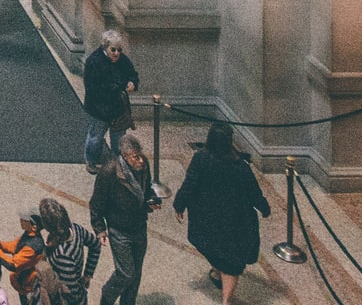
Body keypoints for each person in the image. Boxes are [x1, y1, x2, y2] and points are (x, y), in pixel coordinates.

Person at [172, 122, 271, 305]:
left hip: (206, 217)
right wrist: (264, 208)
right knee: (231, 263)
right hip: (234, 221)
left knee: (215, 249)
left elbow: (189, 184)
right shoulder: (240, 166)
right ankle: (226, 300)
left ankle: (218, 273)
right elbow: (253, 192)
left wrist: (180, 204)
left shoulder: (201, 159)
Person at [90, 132, 160, 305]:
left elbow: (146, 189)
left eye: (141, 155)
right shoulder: (109, 172)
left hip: (139, 226)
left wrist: (151, 200)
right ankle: (107, 296)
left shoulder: (144, 166)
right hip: (119, 230)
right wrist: (99, 229)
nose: (141, 161)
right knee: (126, 273)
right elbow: (96, 203)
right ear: (125, 156)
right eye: (136, 157)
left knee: (136, 274)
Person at [82, 30, 140, 171]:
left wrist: (132, 82)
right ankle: (91, 161)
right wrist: (116, 89)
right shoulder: (94, 61)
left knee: (119, 140)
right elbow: (92, 89)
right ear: (105, 47)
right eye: (113, 50)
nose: (116, 53)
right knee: (95, 138)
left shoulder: (123, 60)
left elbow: (132, 74)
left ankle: (117, 164)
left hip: (117, 109)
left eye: (119, 50)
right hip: (99, 109)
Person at [38, 198, 104, 305]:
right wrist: (88, 274)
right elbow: (95, 244)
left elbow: (71, 292)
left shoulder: (62, 255)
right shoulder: (75, 229)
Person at [0, 210, 45, 299]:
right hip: (21, 281)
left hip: (28, 287)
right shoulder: (29, 234)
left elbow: (13, 265)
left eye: (25, 220)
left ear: (34, 227)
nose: (21, 220)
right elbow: (15, 246)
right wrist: (0, 245)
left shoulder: (32, 247)